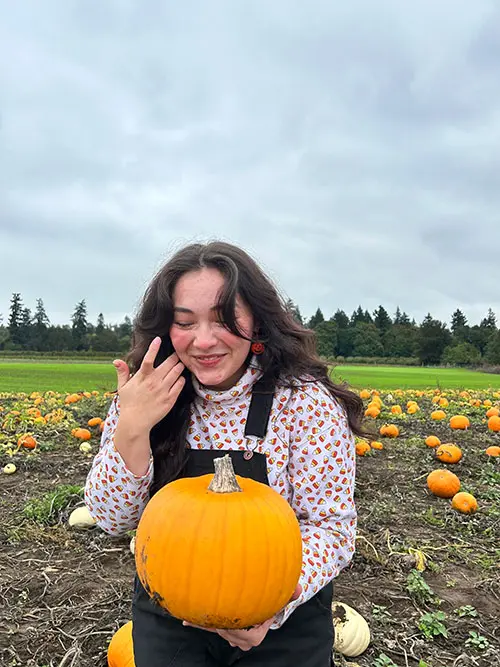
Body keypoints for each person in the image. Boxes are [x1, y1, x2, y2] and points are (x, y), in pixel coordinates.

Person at [84, 241, 366, 667]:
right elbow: (113, 519)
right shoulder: (143, 397)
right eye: (185, 322)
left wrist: (269, 604)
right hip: (170, 610)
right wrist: (132, 428)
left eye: (223, 320)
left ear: (256, 319)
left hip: (282, 622)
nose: (203, 341)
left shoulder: (305, 405)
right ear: (167, 328)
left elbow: (330, 528)